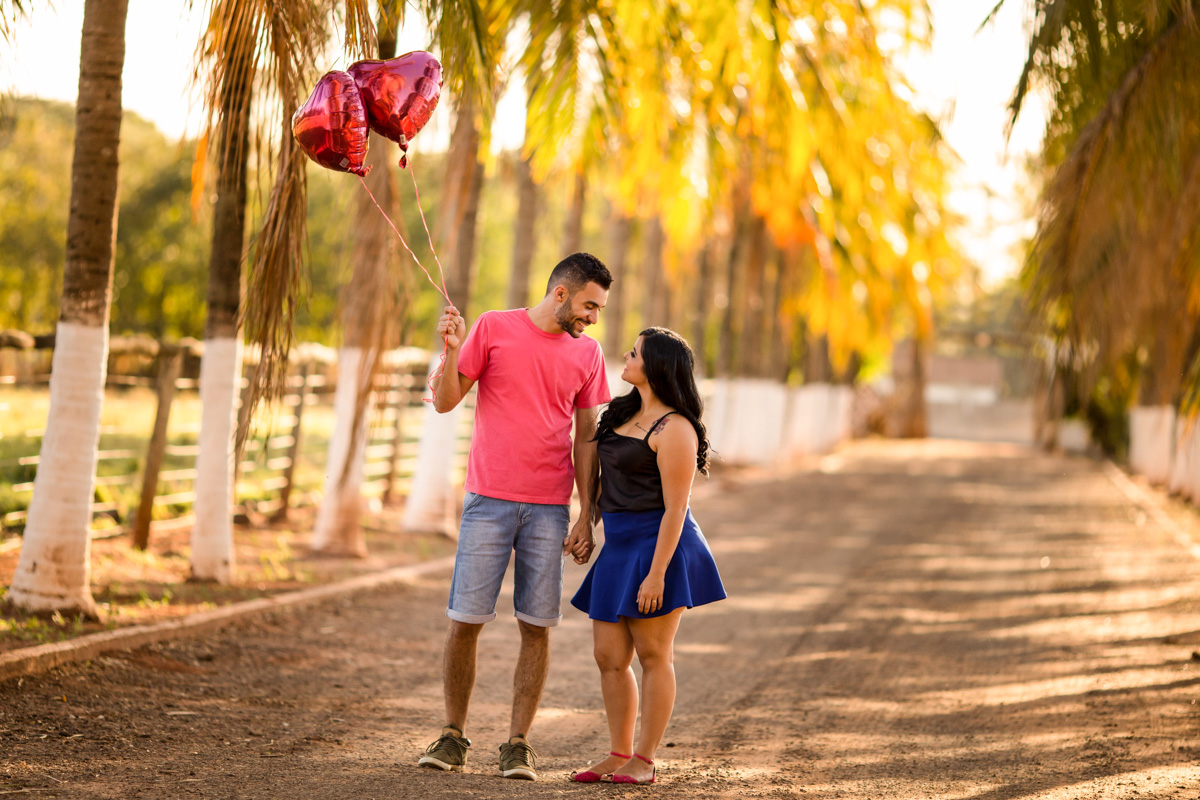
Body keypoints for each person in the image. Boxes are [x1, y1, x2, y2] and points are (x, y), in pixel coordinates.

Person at [417, 253, 613, 781]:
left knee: (538, 626)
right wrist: (451, 353)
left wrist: (585, 513)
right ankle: (453, 735)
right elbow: (444, 403)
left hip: (549, 510)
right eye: (589, 305)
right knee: (465, 621)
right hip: (488, 501)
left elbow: (586, 437)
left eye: (598, 309)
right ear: (560, 294)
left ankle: (518, 743)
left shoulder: (589, 354)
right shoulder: (493, 328)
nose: (593, 317)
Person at [568, 327, 726, 785]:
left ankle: (646, 758)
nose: (626, 354)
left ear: (654, 365)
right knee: (608, 656)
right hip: (618, 546)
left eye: (634, 352)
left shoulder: (675, 428)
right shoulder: (620, 414)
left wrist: (657, 575)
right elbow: (602, 482)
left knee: (653, 653)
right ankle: (618, 752)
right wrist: (586, 523)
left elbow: (677, 508)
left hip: (660, 547)